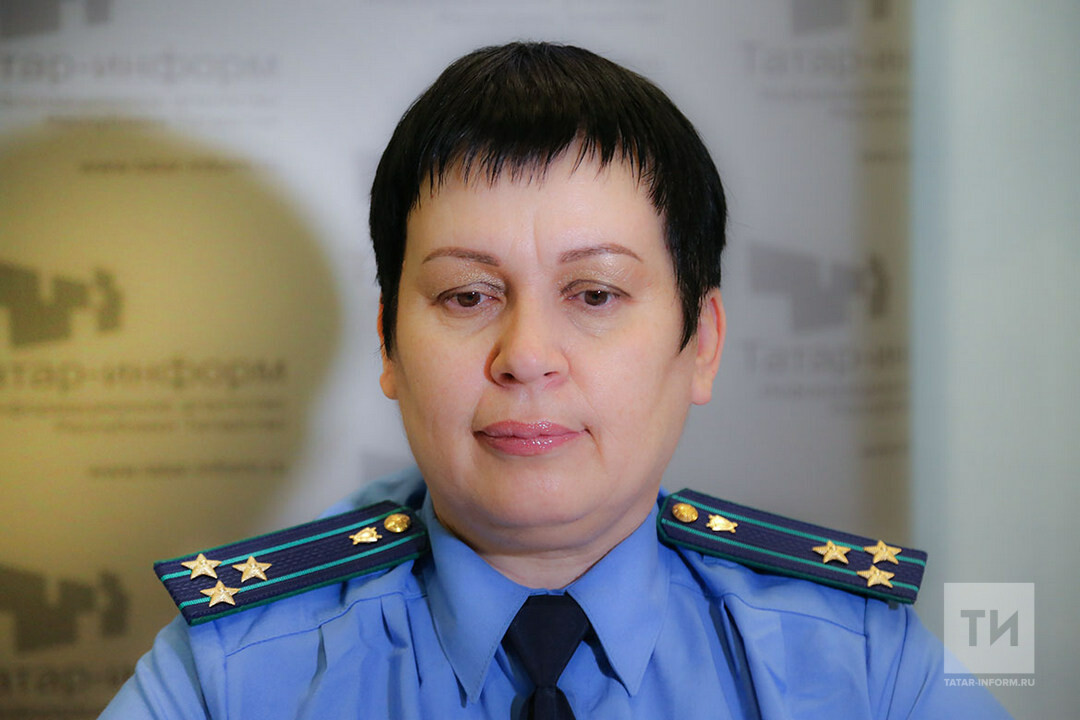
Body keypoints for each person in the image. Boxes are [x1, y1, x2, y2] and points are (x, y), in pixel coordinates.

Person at [100, 42, 1011, 719]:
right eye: (467, 295)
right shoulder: (230, 672)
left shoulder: (861, 663)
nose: (527, 354)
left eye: (595, 294)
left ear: (702, 342)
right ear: (387, 343)